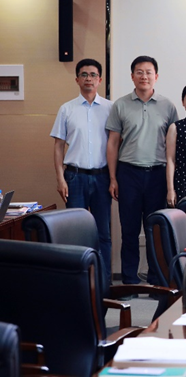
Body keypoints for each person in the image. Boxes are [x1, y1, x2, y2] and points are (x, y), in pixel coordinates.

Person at [106, 55, 178, 285]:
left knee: (155, 230)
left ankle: (157, 279)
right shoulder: (120, 105)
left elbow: (172, 146)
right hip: (129, 174)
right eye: (139, 72)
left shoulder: (168, 106)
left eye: (148, 72)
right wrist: (113, 178)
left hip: (157, 174)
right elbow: (112, 143)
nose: (144, 76)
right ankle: (129, 281)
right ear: (132, 76)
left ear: (156, 76)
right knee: (129, 230)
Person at [51, 58, 113, 283]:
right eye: (84, 74)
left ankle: (104, 282)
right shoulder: (66, 109)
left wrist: (114, 178)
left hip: (102, 177)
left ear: (100, 79)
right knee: (75, 232)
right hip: (74, 177)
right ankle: (79, 282)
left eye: (93, 75)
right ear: (77, 79)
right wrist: (60, 178)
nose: (89, 79)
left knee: (103, 232)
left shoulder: (110, 108)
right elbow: (58, 146)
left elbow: (116, 144)